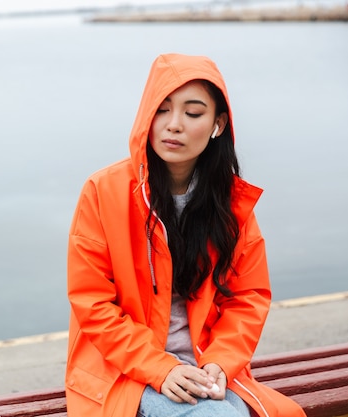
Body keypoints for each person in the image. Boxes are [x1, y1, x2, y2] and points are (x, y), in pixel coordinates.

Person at [65, 53, 306, 417]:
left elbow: (248, 297)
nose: (173, 125)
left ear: (218, 124)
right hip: (125, 369)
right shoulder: (104, 191)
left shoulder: (230, 204)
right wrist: (162, 368)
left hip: (204, 365)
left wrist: (221, 363)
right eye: (161, 110)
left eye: (192, 113)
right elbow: (92, 303)